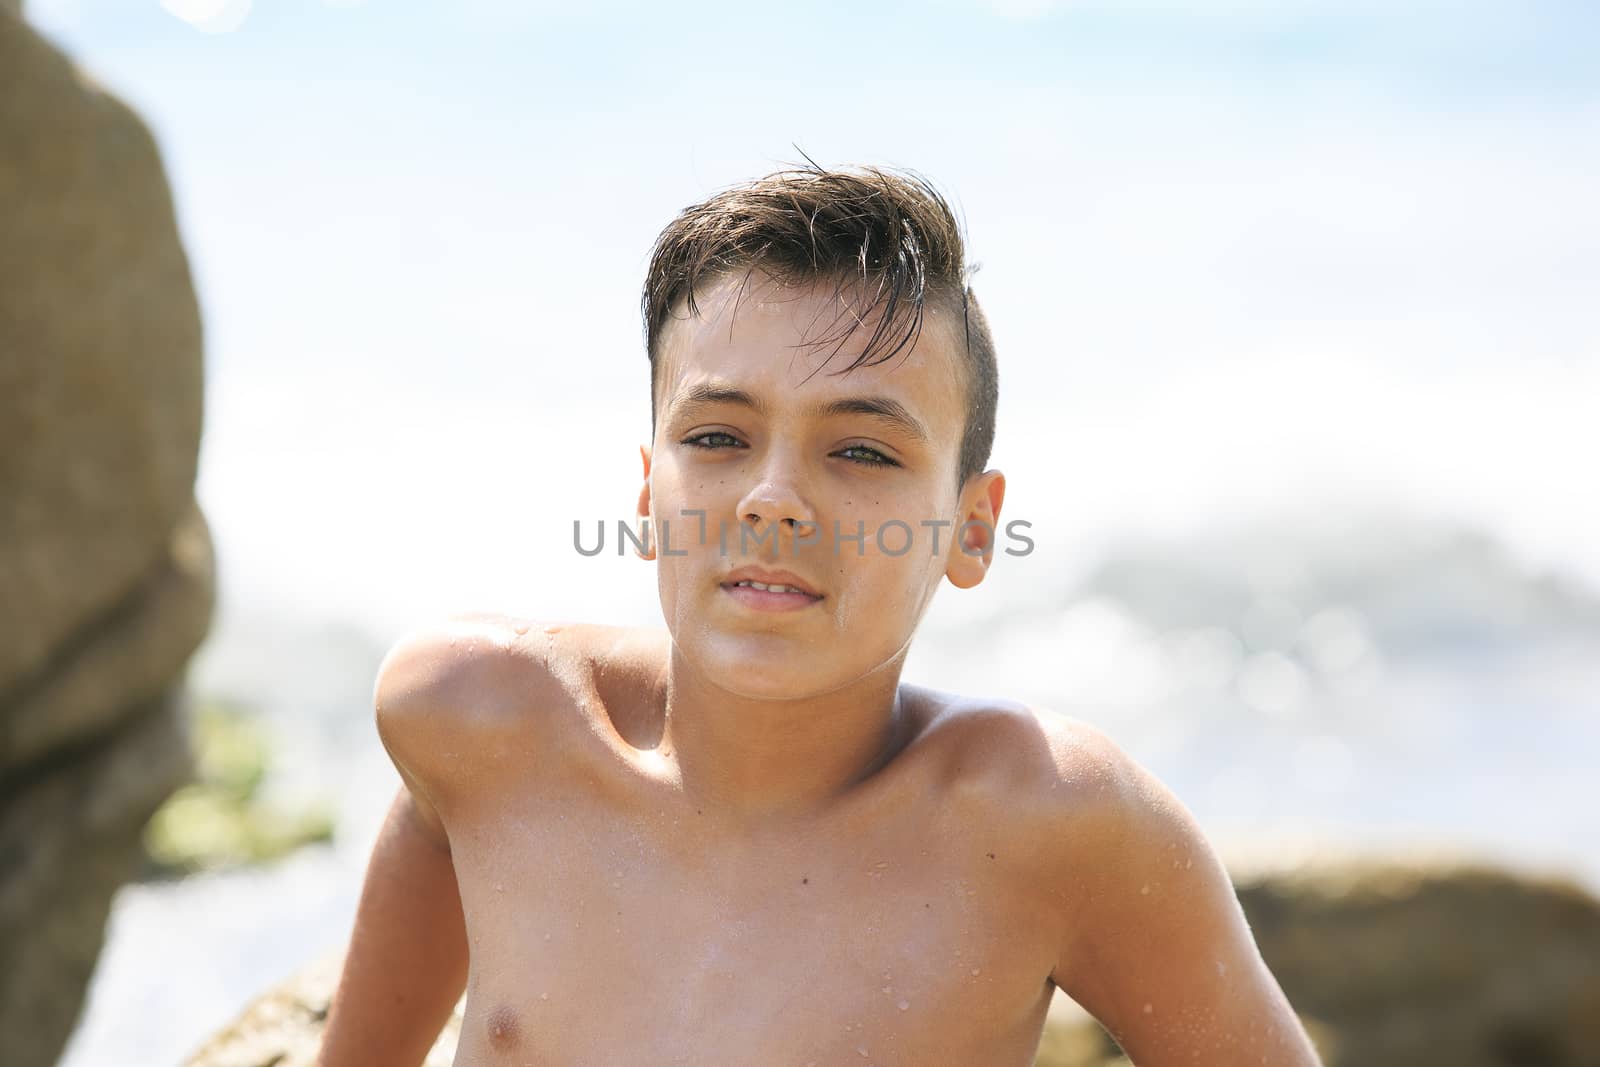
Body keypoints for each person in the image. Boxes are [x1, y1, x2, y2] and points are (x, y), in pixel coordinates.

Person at [313, 161, 1323, 1066]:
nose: (773, 497)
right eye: (715, 435)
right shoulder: (483, 725)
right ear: (645, 494)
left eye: (862, 451)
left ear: (971, 528)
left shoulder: (1048, 825)